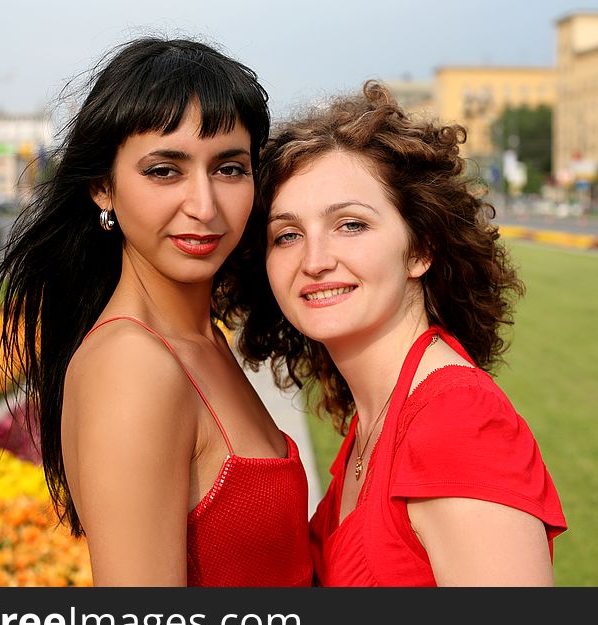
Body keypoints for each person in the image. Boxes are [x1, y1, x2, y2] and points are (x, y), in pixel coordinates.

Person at [0, 37, 312, 587]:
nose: (204, 206)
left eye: (230, 168)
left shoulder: (199, 340)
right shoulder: (134, 366)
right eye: (165, 170)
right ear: (101, 188)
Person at [224, 80, 567, 586]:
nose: (314, 261)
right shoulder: (376, 421)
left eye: (351, 225)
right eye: (288, 235)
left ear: (420, 249)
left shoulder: (458, 423)